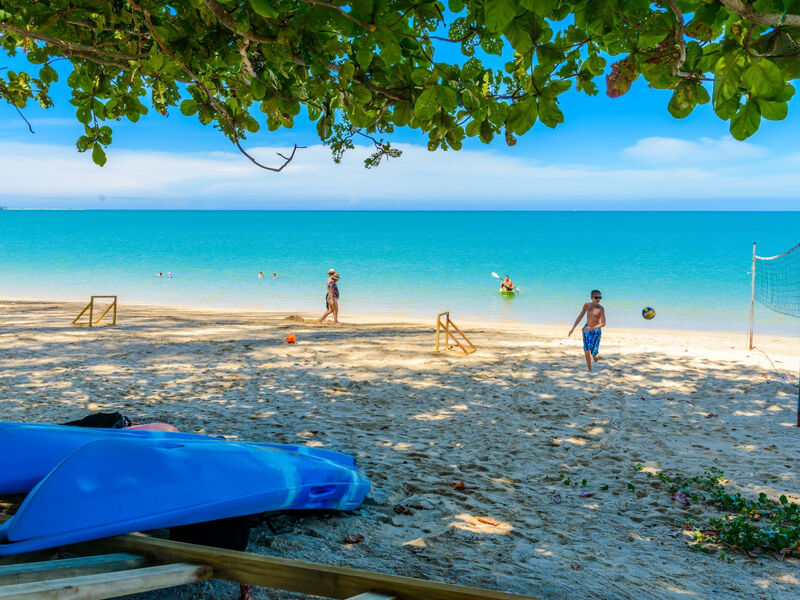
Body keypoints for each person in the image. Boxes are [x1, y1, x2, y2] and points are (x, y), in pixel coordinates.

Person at [568, 290, 606, 372]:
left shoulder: (601, 308)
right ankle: (590, 369)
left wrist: (592, 328)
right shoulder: (587, 305)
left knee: (593, 351)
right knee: (586, 349)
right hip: (586, 329)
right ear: (592, 298)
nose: (598, 299)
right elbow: (580, 316)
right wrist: (573, 328)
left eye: (600, 297)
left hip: (596, 330)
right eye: (596, 297)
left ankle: (594, 355)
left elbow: (603, 323)